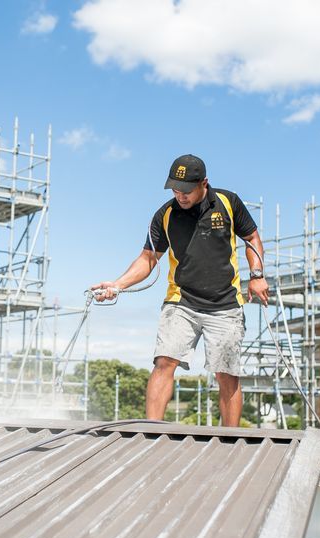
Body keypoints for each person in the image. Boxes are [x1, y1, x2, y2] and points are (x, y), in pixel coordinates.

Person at [91, 154, 269, 426]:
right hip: (181, 301)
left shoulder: (228, 203)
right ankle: (152, 431)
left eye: (186, 190)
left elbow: (252, 237)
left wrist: (257, 275)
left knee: (226, 373)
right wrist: (118, 285)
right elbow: (148, 258)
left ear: (204, 184)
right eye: (175, 189)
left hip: (225, 304)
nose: (180, 195)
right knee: (164, 362)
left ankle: (231, 440)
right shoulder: (165, 215)